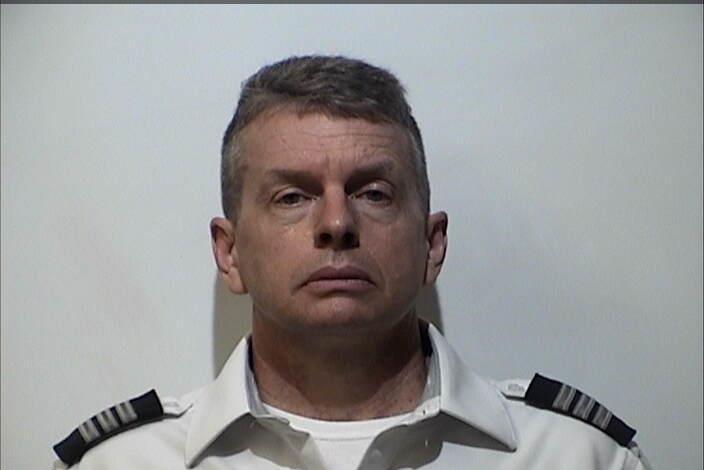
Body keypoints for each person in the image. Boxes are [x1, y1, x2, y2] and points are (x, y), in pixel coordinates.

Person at [53, 55, 653, 470]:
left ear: (432, 244)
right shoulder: (119, 464)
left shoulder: (580, 458)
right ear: (229, 253)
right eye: (292, 197)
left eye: (373, 193)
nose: (337, 223)